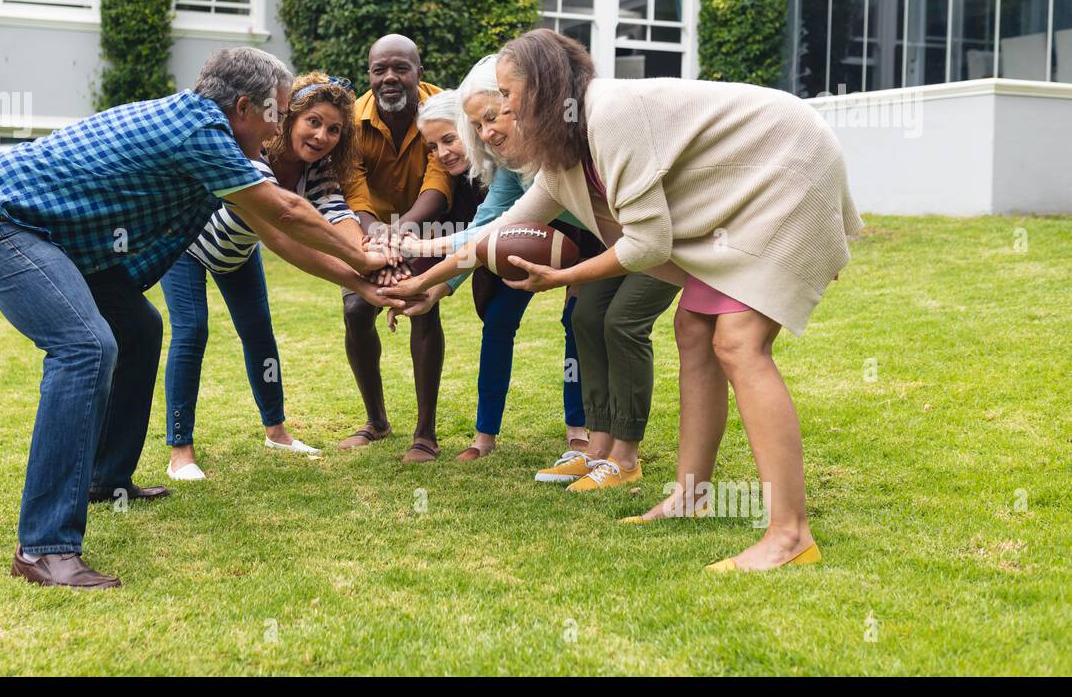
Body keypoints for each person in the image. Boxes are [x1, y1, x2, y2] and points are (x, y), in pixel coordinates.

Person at [386, 28, 862, 572]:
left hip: (786, 162)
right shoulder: (562, 157)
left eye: (508, 98)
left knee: (739, 341)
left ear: (541, 90)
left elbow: (648, 243)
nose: (501, 115)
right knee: (694, 329)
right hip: (745, 189)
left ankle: (790, 534)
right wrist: (417, 265)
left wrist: (562, 277)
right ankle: (691, 496)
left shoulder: (608, 116)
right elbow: (495, 232)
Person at [0, 48, 394, 589]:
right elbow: (284, 216)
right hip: (1, 217)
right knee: (85, 347)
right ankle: (43, 547)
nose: (277, 128)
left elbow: (280, 232)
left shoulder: (210, 131)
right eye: (275, 114)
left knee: (139, 328)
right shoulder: (202, 131)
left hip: (52, 233)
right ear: (243, 107)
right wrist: (366, 261)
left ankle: (105, 479)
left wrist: (363, 280)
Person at [161, 72, 366, 478]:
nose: (322, 135)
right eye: (314, 121)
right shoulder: (252, 156)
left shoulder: (318, 171)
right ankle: (180, 451)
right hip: (186, 246)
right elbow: (283, 233)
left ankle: (277, 432)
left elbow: (339, 217)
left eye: (333, 129)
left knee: (259, 333)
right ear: (290, 118)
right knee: (192, 331)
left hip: (235, 253)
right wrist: (362, 277)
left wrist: (369, 257)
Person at [395, 56, 593, 463]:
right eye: (477, 127)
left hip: (592, 235)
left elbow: (484, 234)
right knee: (499, 318)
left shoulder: (554, 142)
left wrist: (417, 249)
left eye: (452, 138)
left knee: (579, 320)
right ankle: (485, 435)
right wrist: (438, 287)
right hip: (527, 236)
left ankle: (580, 429)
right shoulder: (504, 166)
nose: (484, 134)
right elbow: (486, 234)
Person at [336, 34, 453, 464]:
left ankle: (425, 434)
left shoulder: (442, 107)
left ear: (418, 72)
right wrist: (379, 236)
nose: (389, 78)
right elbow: (352, 186)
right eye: (379, 69)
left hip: (430, 225)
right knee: (355, 311)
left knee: (421, 305)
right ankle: (377, 422)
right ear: (368, 74)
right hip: (370, 229)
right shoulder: (350, 120)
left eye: (400, 68)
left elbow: (439, 179)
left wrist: (403, 234)